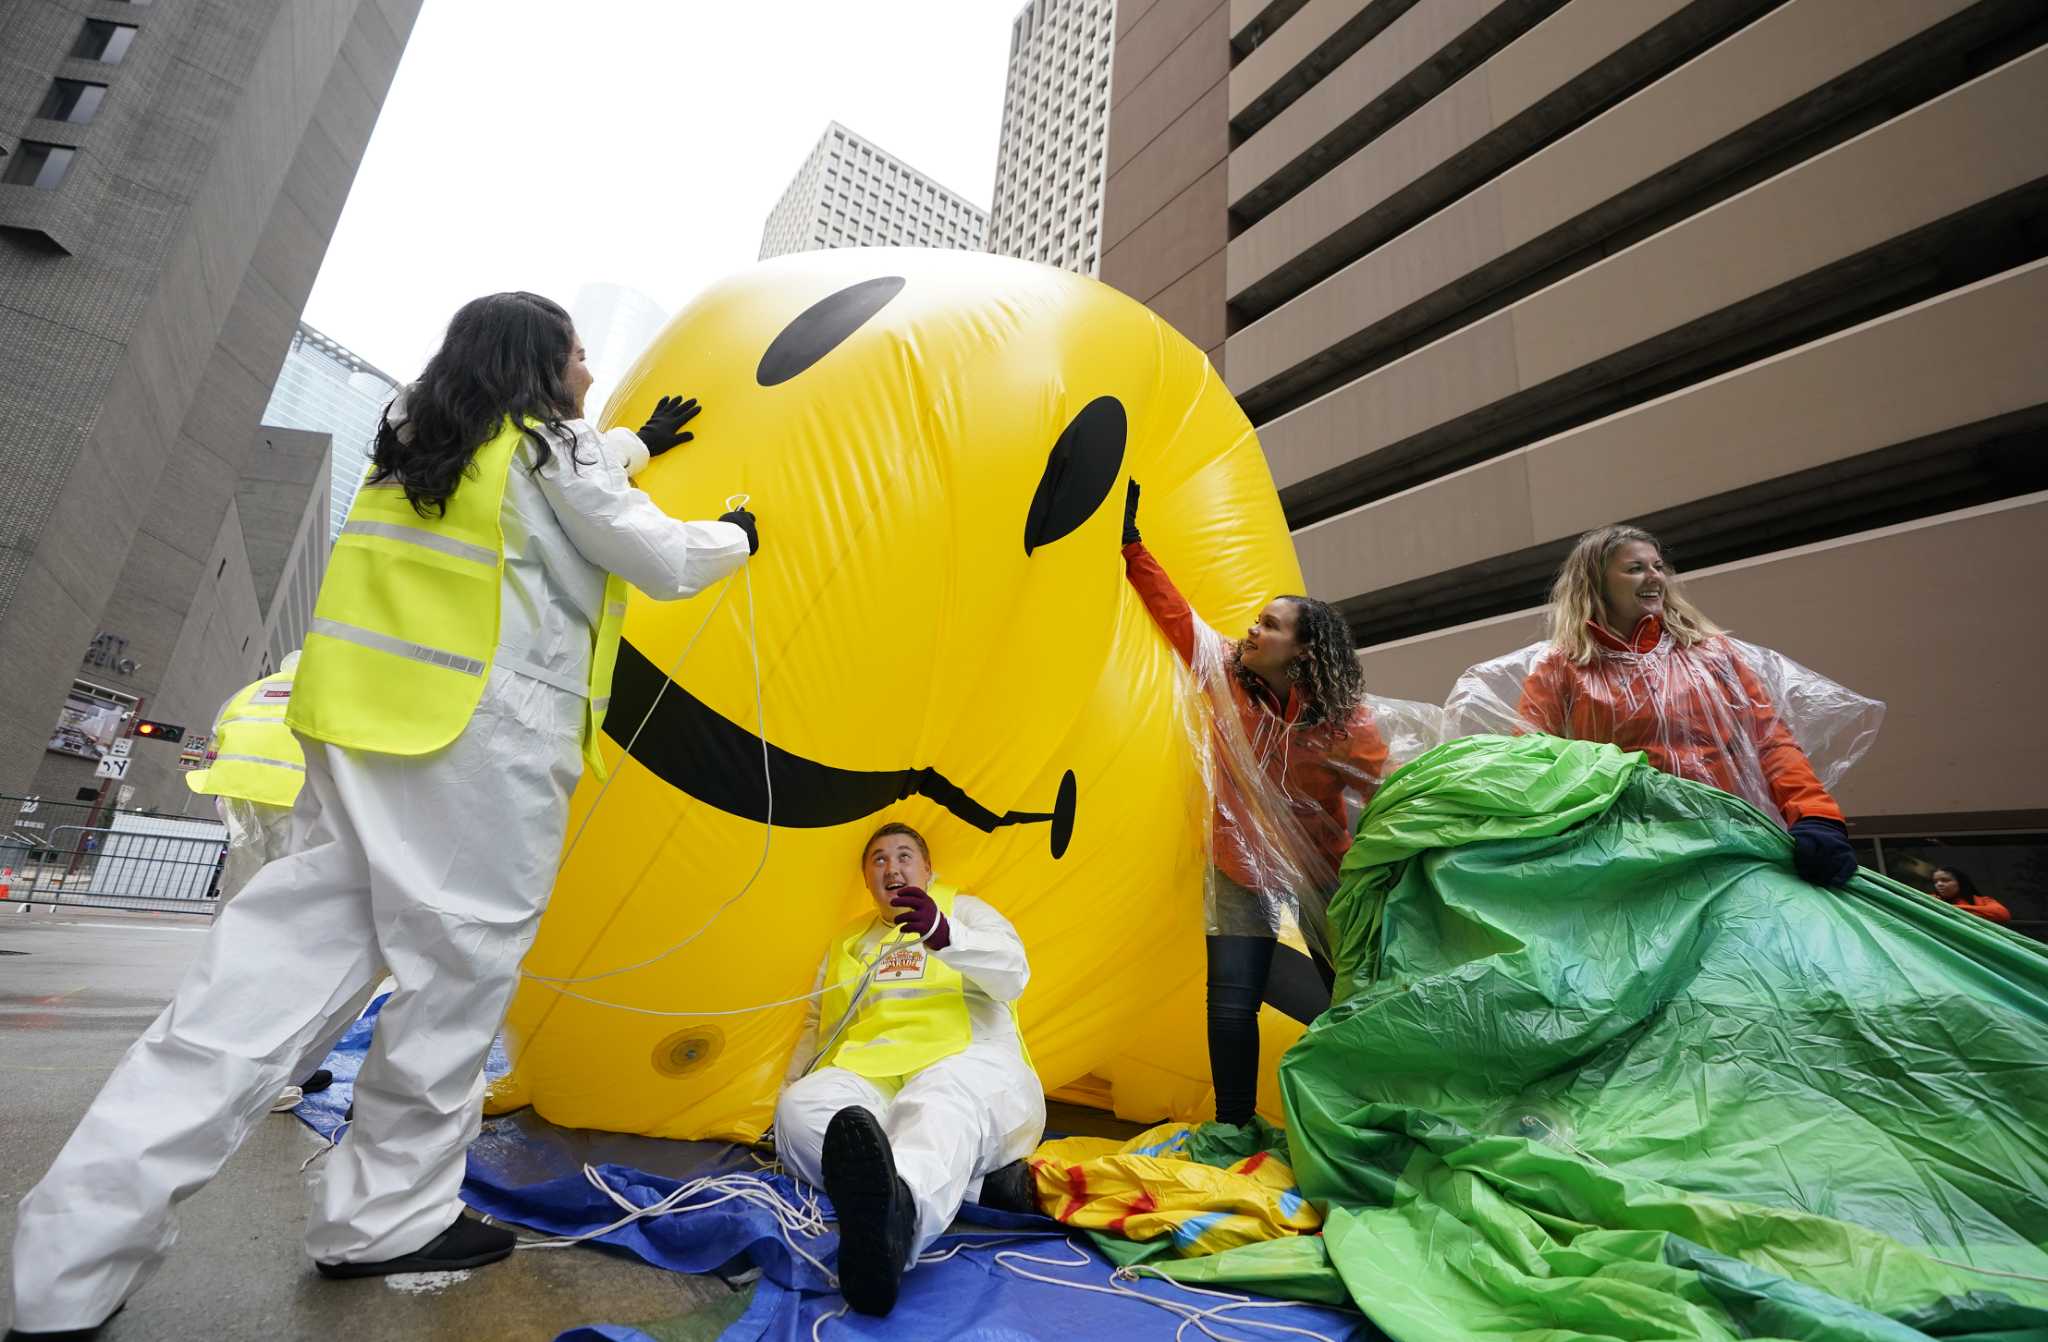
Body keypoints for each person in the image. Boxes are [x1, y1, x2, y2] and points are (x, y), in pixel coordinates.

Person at [8, 291, 760, 1341]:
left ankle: (65, 1266)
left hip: (360, 732)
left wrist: (629, 444)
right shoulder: (554, 445)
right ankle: (382, 1218)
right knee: (453, 987)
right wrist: (736, 533)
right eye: (579, 355)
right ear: (541, 361)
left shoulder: (418, 436)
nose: (589, 372)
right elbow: (662, 559)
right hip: (479, 747)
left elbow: (545, 495)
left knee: (249, 998)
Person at [1120, 481, 1424, 1130]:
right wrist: (1131, 546)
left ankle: (1372, 1115)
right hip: (1238, 863)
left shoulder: (1347, 725)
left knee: (1355, 991)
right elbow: (1175, 614)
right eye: (1256, 621)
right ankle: (1233, 1126)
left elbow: (1388, 799)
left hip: (1323, 871)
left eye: (1269, 625)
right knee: (1231, 999)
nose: (1252, 630)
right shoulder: (1226, 673)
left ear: (1305, 650)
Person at [1444, 525, 1884, 889]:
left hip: (1732, 843)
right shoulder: (1563, 668)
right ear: (1596, 583)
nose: (1654, 576)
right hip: (1625, 857)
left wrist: (1817, 818)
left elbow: (1770, 742)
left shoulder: (1711, 654)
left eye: (1658, 566)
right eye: (1635, 569)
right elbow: (1532, 763)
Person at [773, 822, 1044, 1318]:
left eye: (903, 856)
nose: (891, 867)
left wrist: (945, 933)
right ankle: (966, 1185)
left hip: (967, 1063)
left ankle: (897, 1226)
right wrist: (789, 1089)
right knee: (798, 1111)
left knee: (938, 1102)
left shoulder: (965, 910)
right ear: (867, 879)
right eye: (878, 860)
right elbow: (818, 1023)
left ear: (927, 869)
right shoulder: (848, 942)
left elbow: (1014, 974)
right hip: (876, 1077)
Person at [184, 653, 364, 1113]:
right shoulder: (328, 689)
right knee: (292, 933)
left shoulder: (249, 692)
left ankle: (209, 1043)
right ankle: (268, 1074)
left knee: (240, 922)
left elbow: (220, 741)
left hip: (240, 804)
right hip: (293, 806)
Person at [1931, 866, 2010, 923]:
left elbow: (2002, 914)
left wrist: (1946, 908)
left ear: (1960, 883)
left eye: (1945, 880)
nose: (1939, 884)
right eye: (1935, 882)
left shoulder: (1982, 901)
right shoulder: (1932, 900)